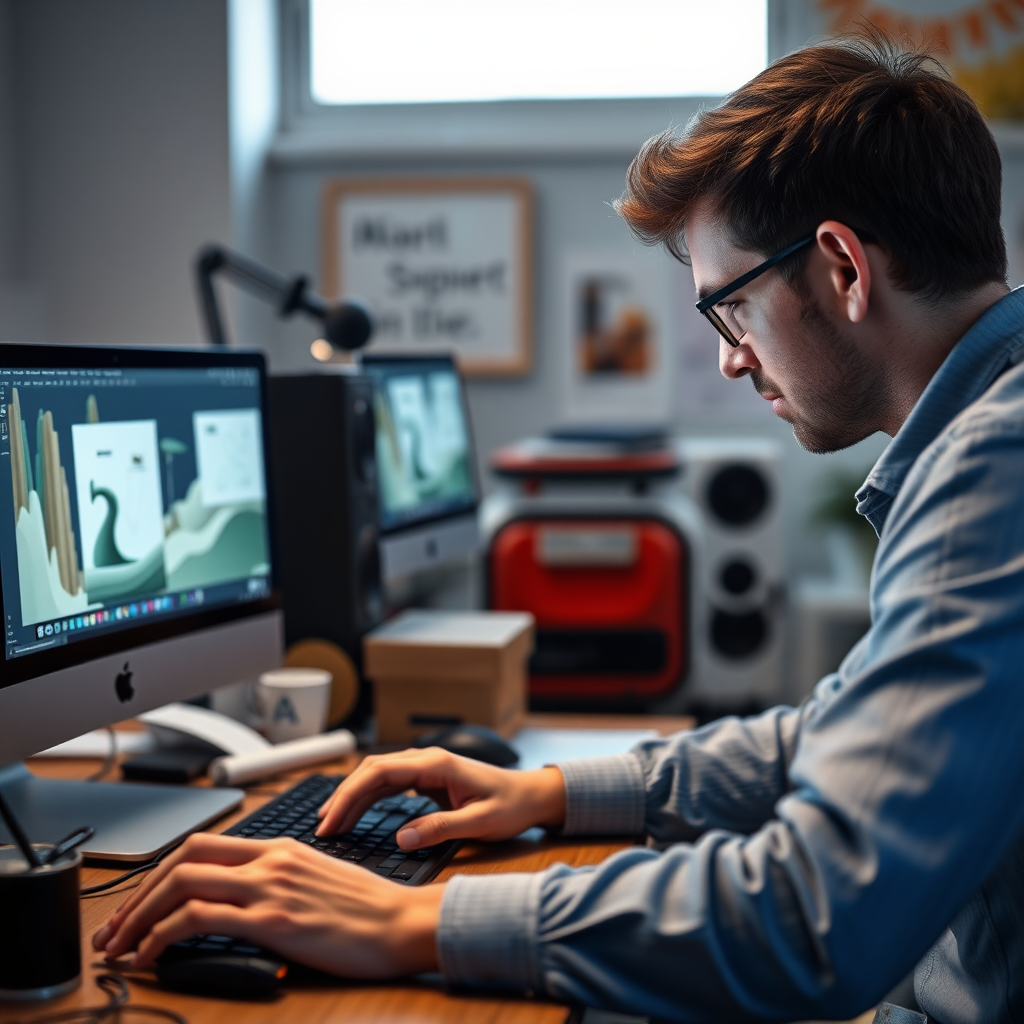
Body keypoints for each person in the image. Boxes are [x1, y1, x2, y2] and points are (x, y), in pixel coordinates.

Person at [94, 35, 1024, 1023]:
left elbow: (814, 916)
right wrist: (553, 793)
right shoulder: (986, 440)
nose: (730, 360)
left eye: (731, 306)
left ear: (840, 267)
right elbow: (844, 735)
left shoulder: (986, 472)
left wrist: (416, 922)